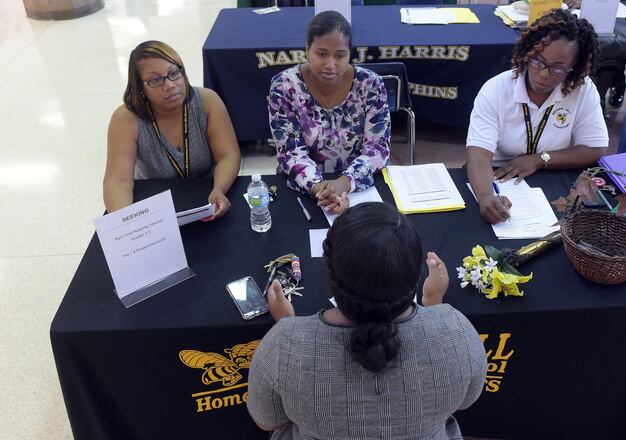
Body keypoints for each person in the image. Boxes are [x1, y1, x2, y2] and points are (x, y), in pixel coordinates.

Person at [247, 202, 487, 440]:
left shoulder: (283, 344)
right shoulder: (458, 333)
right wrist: (435, 303)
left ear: (330, 273)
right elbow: (465, 402)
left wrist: (287, 327)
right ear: (416, 277)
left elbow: (267, 421)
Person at [466, 9, 609, 224]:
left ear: (574, 67)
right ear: (527, 54)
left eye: (557, 68)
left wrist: (540, 160)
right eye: (538, 62)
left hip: (554, 176)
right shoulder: (496, 89)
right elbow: (478, 154)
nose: (543, 74)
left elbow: (595, 148)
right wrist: (486, 197)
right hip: (497, 176)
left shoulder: (582, 89)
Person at [269, 11, 391, 215]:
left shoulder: (371, 84)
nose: (331, 64)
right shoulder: (284, 86)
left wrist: (344, 183)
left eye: (340, 55)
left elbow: (378, 147)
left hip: (358, 188)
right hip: (304, 187)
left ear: (350, 54)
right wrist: (322, 190)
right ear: (307, 49)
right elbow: (291, 152)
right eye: (322, 54)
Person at [103, 40, 241, 217]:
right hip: (152, 202)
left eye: (174, 73)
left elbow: (228, 155)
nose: (169, 85)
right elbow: (118, 181)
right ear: (140, 88)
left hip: (206, 194)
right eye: (155, 80)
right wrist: (126, 222)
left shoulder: (208, 101)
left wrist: (219, 189)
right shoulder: (125, 119)